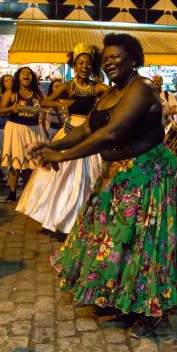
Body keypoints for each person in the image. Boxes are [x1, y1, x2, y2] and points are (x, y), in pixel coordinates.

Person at [31, 33, 177, 338]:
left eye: (116, 57)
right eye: (106, 58)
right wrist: (52, 146)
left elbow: (112, 133)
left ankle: (148, 310)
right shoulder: (110, 93)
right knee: (113, 241)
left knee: (143, 245)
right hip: (116, 175)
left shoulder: (142, 88)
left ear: (134, 59)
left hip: (147, 175)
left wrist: (63, 154)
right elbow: (87, 127)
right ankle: (117, 297)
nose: (109, 62)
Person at [17, 43, 106, 235]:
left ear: (92, 66)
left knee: (87, 179)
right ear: (74, 65)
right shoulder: (67, 86)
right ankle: (54, 216)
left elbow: (116, 98)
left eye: (87, 63)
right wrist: (62, 103)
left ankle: (82, 220)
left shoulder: (98, 87)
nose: (84, 66)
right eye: (80, 63)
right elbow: (46, 101)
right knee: (59, 178)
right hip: (67, 132)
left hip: (87, 134)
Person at [0, 67, 47, 201]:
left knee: (30, 164)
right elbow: (0, 110)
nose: (26, 75)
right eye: (23, 73)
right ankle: (12, 193)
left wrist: (43, 126)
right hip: (16, 128)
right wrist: (11, 108)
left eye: (29, 73)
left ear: (33, 77)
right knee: (15, 163)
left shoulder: (38, 94)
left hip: (34, 128)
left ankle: (26, 192)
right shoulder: (11, 93)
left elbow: (44, 111)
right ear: (18, 77)